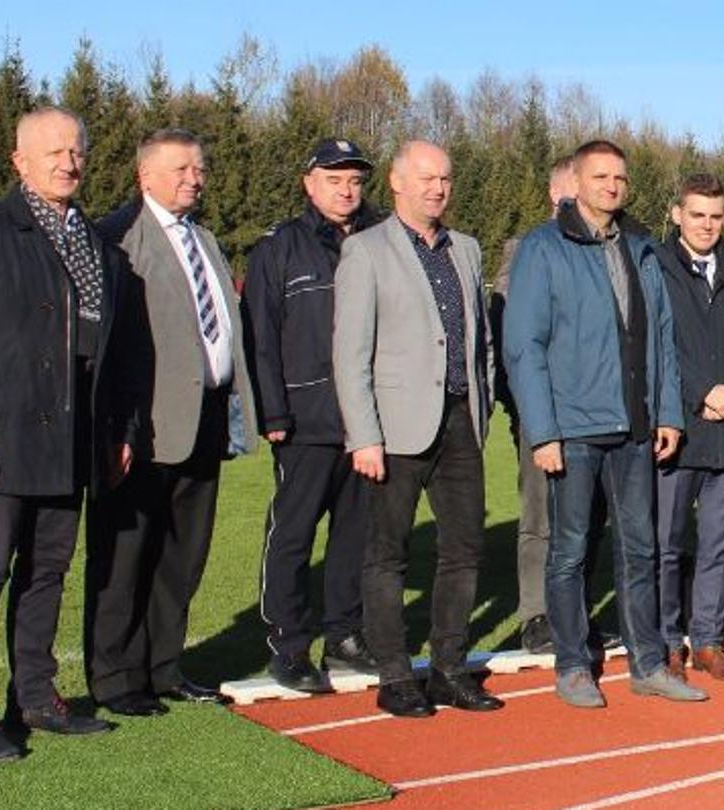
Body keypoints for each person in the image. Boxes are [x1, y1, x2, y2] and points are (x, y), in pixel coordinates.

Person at [0, 107, 122, 760]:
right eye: (54, 151)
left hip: (71, 440)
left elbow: (106, 352)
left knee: (47, 574)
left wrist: (114, 429)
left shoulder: (95, 243)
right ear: (20, 162)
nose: (69, 161)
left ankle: (35, 697)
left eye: (77, 150)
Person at [504, 139, 704, 708]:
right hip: (573, 428)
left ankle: (648, 663)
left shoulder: (640, 247)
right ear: (578, 181)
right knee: (569, 550)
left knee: (639, 549)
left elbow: (661, 337)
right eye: (600, 176)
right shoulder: (544, 249)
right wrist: (543, 431)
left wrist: (666, 412)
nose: (612, 186)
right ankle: (572, 665)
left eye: (619, 176)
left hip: (635, 427)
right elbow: (524, 345)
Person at [89, 128, 259, 714]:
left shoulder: (204, 239)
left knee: (182, 555)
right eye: (183, 168)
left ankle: (164, 667)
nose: (196, 177)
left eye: (200, 168)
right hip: (145, 426)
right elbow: (110, 345)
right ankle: (114, 678)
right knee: (127, 555)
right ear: (146, 176)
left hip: (206, 419)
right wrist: (117, 427)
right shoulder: (118, 237)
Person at [332, 140, 499, 718]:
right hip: (394, 429)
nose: (438, 188)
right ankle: (396, 673)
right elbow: (350, 353)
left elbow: (481, 341)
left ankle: (450, 669)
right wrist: (364, 435)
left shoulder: (467, 250)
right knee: (387, 555)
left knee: (464, 550)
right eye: (426, 178)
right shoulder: (365, 251)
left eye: (445, 178)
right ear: (398, 184)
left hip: (459, 419)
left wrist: (485, 403)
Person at [241, 138, 383, 693]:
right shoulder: (280, 247)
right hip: (305, 418)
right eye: (333, 180)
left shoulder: (379, 240)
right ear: (309, 183)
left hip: (366, 423)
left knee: (357, 538)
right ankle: (289, 643)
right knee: (293, 535)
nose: (346, 191)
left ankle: (345, 636)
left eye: (353, 181)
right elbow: (261, 336)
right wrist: (273, 411)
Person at [653, 172, 724, 682]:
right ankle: (668, 642)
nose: (706, 225)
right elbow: (656, 345)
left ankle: (709, 640)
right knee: (666, 544)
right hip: (678, 429)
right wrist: (699, 394)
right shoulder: (656, 266)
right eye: (697, 214)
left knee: (718, 542)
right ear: (677, 215)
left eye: (715, 216)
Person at [494, 155, 577, 656]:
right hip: (540, 409)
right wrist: (522, 408)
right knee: (540, 517)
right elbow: (511, 336)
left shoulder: (609, 248)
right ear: (554, 194)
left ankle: (573, 611)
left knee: (584, 517)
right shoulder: (524, 249)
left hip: (594, 410)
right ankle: (536, 615)